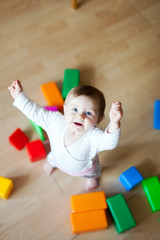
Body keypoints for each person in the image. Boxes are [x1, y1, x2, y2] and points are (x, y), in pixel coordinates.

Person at [8, 80, 123, 190]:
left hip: (85, 170)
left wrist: (114, 122)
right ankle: (51, 163)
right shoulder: (55, 121)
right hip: (56, 157)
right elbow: (36, 113)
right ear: (65, 109)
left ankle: (92, 179)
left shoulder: (94, 137)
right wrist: (20, 97)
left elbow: (110, 142)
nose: (80, 116)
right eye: (75, 109)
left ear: (98, 119)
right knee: (52, 158)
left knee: (92, 174)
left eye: (88, 113)